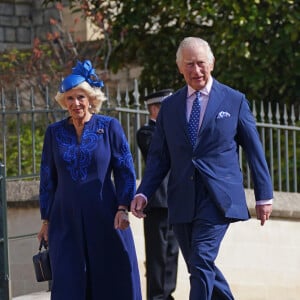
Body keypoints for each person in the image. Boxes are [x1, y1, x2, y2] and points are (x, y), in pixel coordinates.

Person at [131, 37, 273, 300]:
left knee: (200, 259)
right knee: (200, 265)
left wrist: (264, 195)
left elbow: (255, 151)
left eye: (200, 63)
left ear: (212, 63)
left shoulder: (234, 101)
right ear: (180, 68)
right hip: (182, 197)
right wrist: (144, 192)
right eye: (189, 65)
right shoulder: (171, 106)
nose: (196, 71)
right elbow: (160, 158)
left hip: (218, 197)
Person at [37, 60, 142, 300]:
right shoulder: (54, 132)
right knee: (69, 280)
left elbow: (125, 168)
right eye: (70, 98)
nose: (76, 103)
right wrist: (46, 219)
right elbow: (47, 177)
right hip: (65, 218)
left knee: (111, 277)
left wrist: (123, 207)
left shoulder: (109, 126)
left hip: (106, 215)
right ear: (64, 102)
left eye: (81, 97)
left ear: (91, 99)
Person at [136, 89, 179, 300]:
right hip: (158, 202)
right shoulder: (147, 133)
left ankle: (168, 294)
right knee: (157, 255)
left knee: (172, 253)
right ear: (155, 109)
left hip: (176, 201)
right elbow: (161, 154)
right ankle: (156, 297)